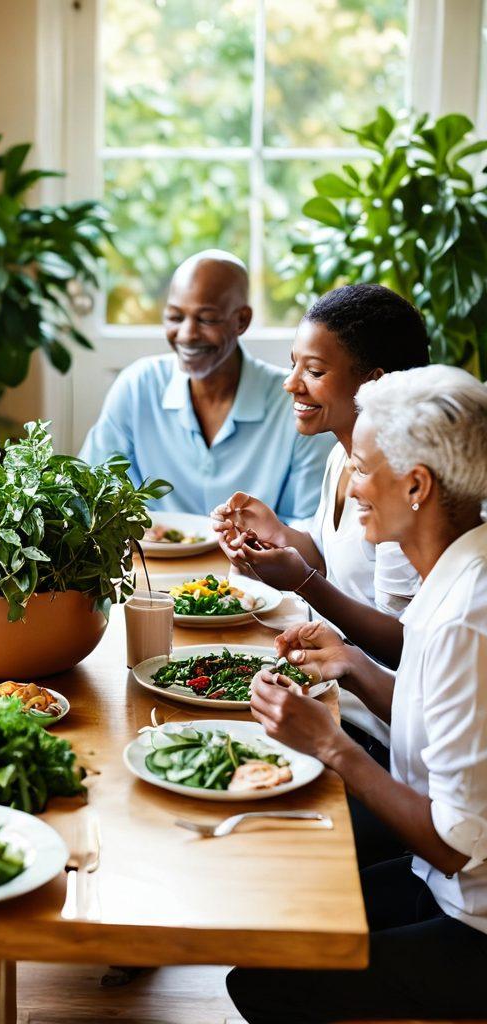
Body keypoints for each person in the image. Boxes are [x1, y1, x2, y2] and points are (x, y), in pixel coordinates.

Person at [227, 365, 487, 1023]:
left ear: (417, 485)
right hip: (446, 880)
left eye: (361, 468)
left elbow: (458, 843)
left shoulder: (465, 612)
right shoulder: (455, 569)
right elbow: (447, 724)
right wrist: (351, 666)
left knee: (262, 984)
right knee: (273, 912)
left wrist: (333, 745)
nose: (351, 484)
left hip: (471, 915)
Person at [210, 285, 429, 751]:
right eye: (293, 364)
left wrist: (304, 582)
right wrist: (272, 534)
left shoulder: (399, 490)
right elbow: (334, 562)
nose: (290, 383)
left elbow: (403, 643)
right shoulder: (341, 456)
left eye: (313, 370)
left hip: (374, 729)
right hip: (325, 693)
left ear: (374, 383)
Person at [79, 250, 333, 519]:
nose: (187, 334)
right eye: (176, 317)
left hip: (253, 562)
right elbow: (90, 492)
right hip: (151, 560)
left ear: (242, 320)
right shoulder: (137, 386)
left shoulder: (295, 405)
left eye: (207, 319)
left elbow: (309, 527)